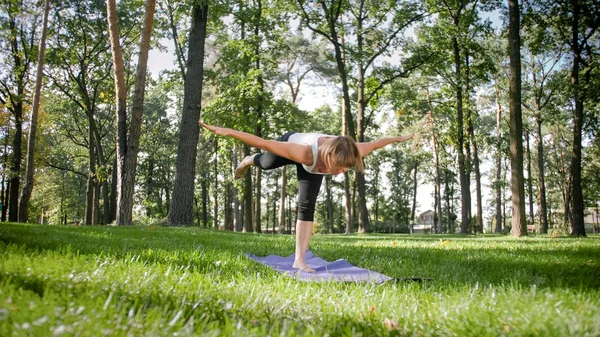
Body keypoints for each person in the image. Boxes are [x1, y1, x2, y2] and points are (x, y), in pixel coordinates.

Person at [199, 121, 414, 273]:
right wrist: (226, 131)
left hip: (313, 164)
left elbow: (378, 143)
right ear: (328, 156)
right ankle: (249, 160)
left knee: (306, 206)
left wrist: (399, 138)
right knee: (265, 163)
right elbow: (263, 142)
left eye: (344, 170)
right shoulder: (305, 152)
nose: (340, 173)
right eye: (337, 168)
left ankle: (299, 261)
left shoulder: (352, 151)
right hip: (293, 146)